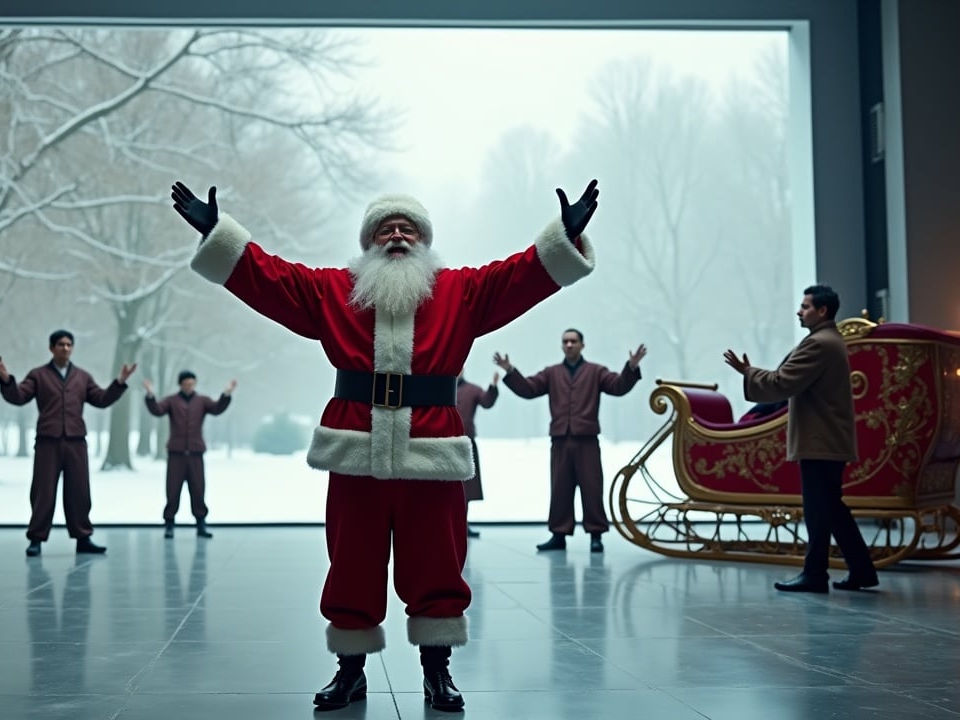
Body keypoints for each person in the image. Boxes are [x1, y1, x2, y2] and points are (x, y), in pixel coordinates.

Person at [170, 176, 601, 712]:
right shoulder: (332, 289)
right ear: (368, 243)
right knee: (351, 559)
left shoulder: (460, 290)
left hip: (432, 449)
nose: (397, 235)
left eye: (408, 228)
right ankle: (350, 671)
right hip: (356, 445)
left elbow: (520, 275)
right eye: (385, 229)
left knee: (439, 562)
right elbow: (270, 278)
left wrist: (564, 234)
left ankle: (437, 674)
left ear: (424, 241)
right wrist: (218, 232)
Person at [723, 284, 878, 593]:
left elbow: (782, 382)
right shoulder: (830, 340)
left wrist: (748, 371)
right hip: (829, 441)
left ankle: (815, 574)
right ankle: (861, 570)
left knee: (819, 511)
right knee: (832, 508)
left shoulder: (819, 344)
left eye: (805, 307)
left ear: (822, 311)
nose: (799, 311)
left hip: (820, 442)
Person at [494, 329, 647, 553]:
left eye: (573, 341)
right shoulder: (552, 373)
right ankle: (558, 535)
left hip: (587, 440)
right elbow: (528, 389)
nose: (569, 345)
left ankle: (596, 535)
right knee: (560, 489)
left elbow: (618, 387)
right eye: (565, 341)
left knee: (592, 487)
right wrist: (510, 370)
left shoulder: (596, 371)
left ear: (582, 345)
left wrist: (631, 367)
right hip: (560, 441)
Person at [0, 330, 135, 557]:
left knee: (79, 491)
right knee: (43, 491)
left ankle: (83, 537)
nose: (65, 348)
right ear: (51, 348)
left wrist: (119, 382)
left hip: (76, 442)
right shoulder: (38, 375)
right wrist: (5, 379)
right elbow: (18, 396)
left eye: (69, 344)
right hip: (48, 442)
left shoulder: (82, 377)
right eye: (61, 344)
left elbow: (100, 399)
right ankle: (36, 539)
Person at [143, 371, 236, 539]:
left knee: (198, 490)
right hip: (176, 454)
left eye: (192, 384)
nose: (189, 387)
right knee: (172, 490)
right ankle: (169, 524)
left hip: (195, 454)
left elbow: (217, 409)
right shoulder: (171, 401)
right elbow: (157, 410)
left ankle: (201, 523)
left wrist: (226, 394)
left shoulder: (202, 401)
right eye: (186, 384)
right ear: (180, 384)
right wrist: (150, 394)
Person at [455, 370, 498, 538]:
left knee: (467, 488)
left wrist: (493, 387)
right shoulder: (442, 388)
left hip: (467, 443)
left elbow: (487, 401)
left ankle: (463, 524)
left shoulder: (473, 390)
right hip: (444, 443)